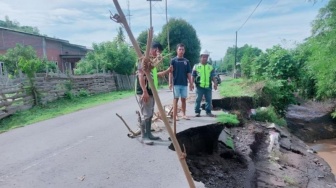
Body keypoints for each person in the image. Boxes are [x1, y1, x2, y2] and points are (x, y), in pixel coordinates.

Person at [136, 42, 172, 145]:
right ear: (153, 49)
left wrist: (167, 71)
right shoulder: (143, 61)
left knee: (150, 114)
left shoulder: (151, 63)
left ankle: (149, 134)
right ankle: (144, 136)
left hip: (152, 92)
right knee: (146, 115)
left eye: (160, 52)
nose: (159, 54)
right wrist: (144, 91)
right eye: (158, 51)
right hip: (145, 92)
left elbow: (156, 75)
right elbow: (140, 75)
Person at [169, 43, 194, 120]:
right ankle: (175, 115)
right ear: (177, 50)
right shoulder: (173, 61)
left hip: (184, 84)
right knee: (175, 99)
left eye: (182, 49)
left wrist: (191, 83)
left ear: (184, 51)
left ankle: (183, 114)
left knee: (183, 99)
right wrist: (170, 83)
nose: (181, 51)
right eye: (180, 49)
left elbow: (188, 73)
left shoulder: (186, 61)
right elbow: (170, 72)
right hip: (176, 83)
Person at [191, 50, 218, 117]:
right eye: (203, 57)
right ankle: (197, 112)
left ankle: (208, 112)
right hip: (199, 86)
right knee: (198, 100)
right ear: (201, 57)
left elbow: (213, 76)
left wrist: (215, 84)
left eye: (206, 57)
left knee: (208, 100)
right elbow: (193, 75)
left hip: (208, 86)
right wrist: (191, 84)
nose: (205, 58)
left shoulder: (210, 67)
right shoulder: (196, 66)